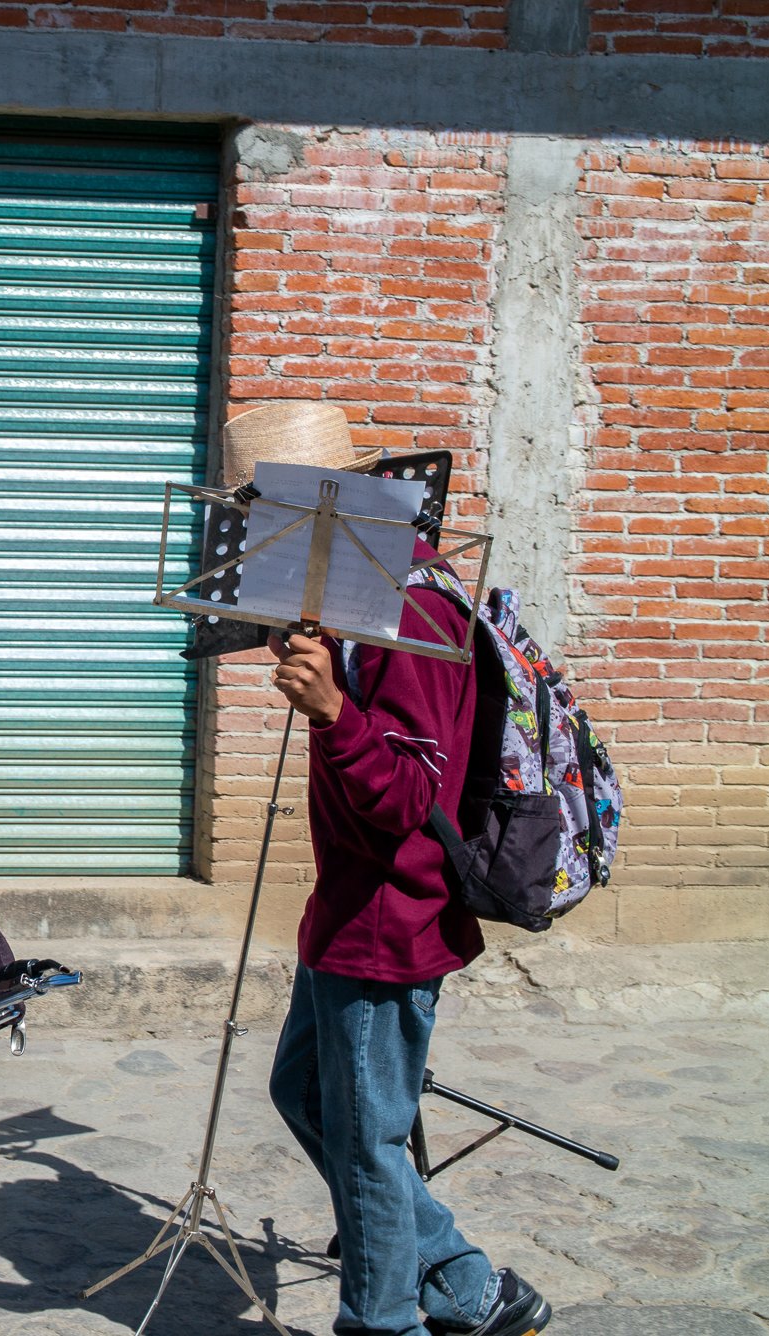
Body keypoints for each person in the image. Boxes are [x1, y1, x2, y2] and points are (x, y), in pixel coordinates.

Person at [230, 404, 553, 1336]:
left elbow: (416, 800)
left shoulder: (414, 608)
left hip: (389, 926)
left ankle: (385, 1321)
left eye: (268, 519)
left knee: (367, 1145)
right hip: (345, 916)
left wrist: (334, 713)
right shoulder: (352, 605)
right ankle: (460, 1278)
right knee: (304, 1095)